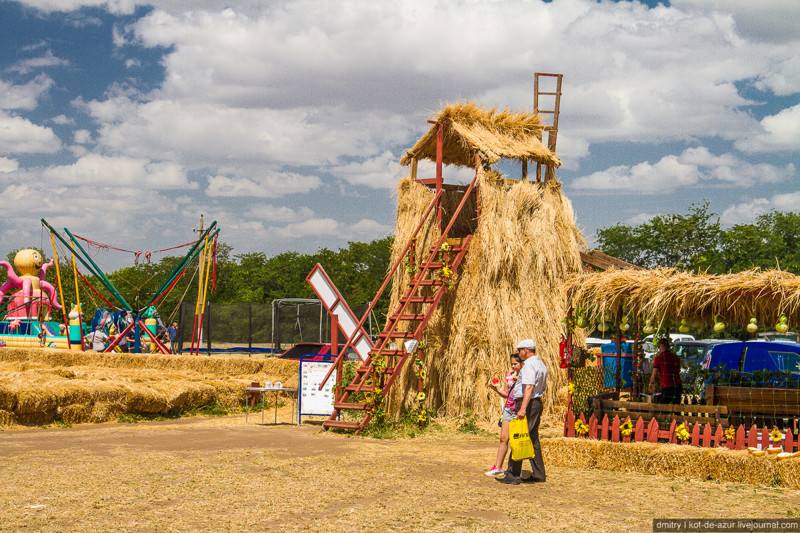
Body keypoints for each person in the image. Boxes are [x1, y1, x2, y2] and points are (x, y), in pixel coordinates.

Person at [497, 338, 547, 485]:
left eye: (520, 351)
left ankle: (513, 474)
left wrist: (523, 408)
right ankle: (538, 473)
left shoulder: (529, 366)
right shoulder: (541, 364)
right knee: (533, 439)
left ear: (525, 350)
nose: (519, 354)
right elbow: (542, 387)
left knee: (518, 436)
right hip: (536, 403)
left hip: (528, 404)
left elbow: (529, 388)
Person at [485, 353, 523, 476]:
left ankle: (515, 470)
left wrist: (521, 381)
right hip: (508, 409)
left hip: (518, 410)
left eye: (515, 364)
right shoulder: (509, 376)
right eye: (512, 364)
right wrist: (496, 389)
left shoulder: (525, 376)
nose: (513, 367)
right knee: (503, 438)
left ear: (522, 364)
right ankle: (498, 467)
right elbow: (506, 394)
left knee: (516, 441)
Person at [649, 338, 682, 404]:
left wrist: (650, 383)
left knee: (665, 408)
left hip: (667, 386)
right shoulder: (676, 357)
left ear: (660, 346)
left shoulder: (659, 358)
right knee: (676, 408)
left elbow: (654, 375)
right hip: (678, 386)